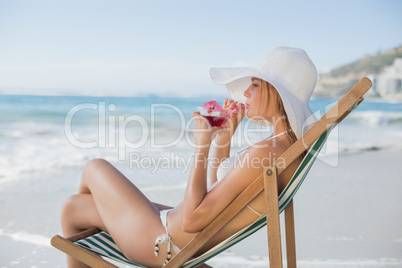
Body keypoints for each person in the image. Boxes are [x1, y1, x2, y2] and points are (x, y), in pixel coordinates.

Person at [61, 46, 318, 268]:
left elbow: (193, 220)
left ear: (276, 92)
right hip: (166, 232)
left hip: (160, 243)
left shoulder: (267, 152)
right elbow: (221, 187)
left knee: (95, 167)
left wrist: (202, 145)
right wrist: (225, 138)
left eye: (255, 85)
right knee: (73, 207)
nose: (246, 93)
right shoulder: (283, 149)